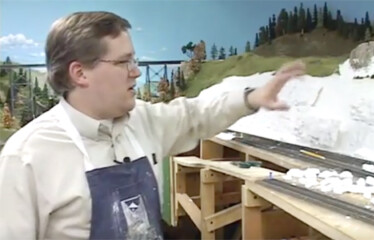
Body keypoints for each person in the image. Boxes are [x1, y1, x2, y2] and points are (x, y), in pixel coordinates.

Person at [0, 11, 305, 240]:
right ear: (80, 73)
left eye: (135, 61)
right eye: (123, 63)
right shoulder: (26, 155)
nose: (136, 73)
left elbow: (196, 115)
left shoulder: (143, 120)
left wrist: (252, 97)